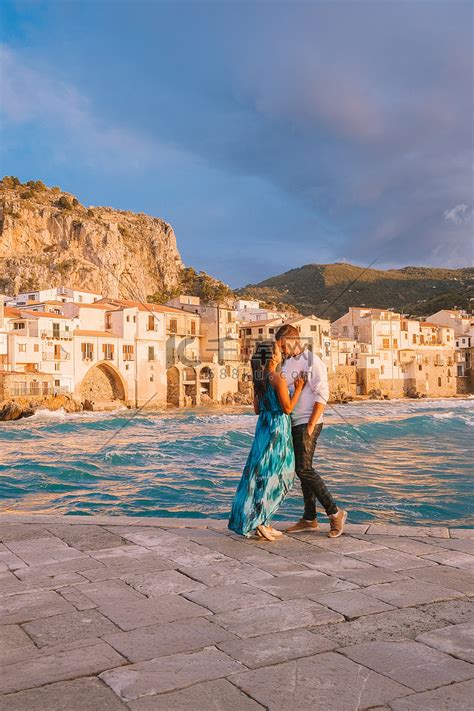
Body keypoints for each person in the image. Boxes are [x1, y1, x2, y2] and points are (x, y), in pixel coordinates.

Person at [275, 324, 347, 538]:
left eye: (282, 346)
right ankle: (309, 519)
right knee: (302, 469)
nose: (281, 351)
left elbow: (323, 393)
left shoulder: (312, 361)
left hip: (308, 421)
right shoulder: (287, 364)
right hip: (293, 422)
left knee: (304, 469)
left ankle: (335, 513)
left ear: (290, 340)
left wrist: (311, 424)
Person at [228, 340, 305, 541]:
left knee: (262, 473)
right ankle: (260, 521)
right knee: (282, 475)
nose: (282, 354)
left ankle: (264, 522)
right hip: (278, 429)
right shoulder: (278, 378)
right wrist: (298, 389)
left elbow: (256, 409)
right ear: (273, 357)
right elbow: (287, 409)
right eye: (279, 351)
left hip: (263, 427)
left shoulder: (259, 379)